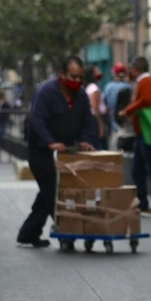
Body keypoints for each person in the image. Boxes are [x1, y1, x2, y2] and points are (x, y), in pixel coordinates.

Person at [16, 56, 98, 248]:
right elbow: (38, 120)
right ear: (62, 75)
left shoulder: (81, 96)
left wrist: (86, 140)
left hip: (65, 151)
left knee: (47, 192)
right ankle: (66, 232)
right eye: (73, 77)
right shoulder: (47, 92)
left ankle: (28, 233)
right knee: (53, 191)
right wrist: (50, 142)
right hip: (41, 151)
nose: (77, 81)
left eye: (80, 78)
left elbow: (87, 121)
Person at [122, 56, 151, 215]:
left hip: (148, 133)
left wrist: (129, 109)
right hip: (142, 132)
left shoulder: (146, 81)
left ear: (136, 69)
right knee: (138, 170)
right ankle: (142, 203)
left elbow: (147, 100)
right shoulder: (143, 82)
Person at [103, 62, 134, 152]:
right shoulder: (129, 87)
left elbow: (106, 106)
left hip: (114, 125)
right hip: (126, 126)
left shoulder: (108, 87)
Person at [84, 65, 108, 148]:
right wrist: (101, 127)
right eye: (97, 71)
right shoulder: (94, 88)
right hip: (97, 120)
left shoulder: (89, 87)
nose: (100, 72)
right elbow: (96, 108)